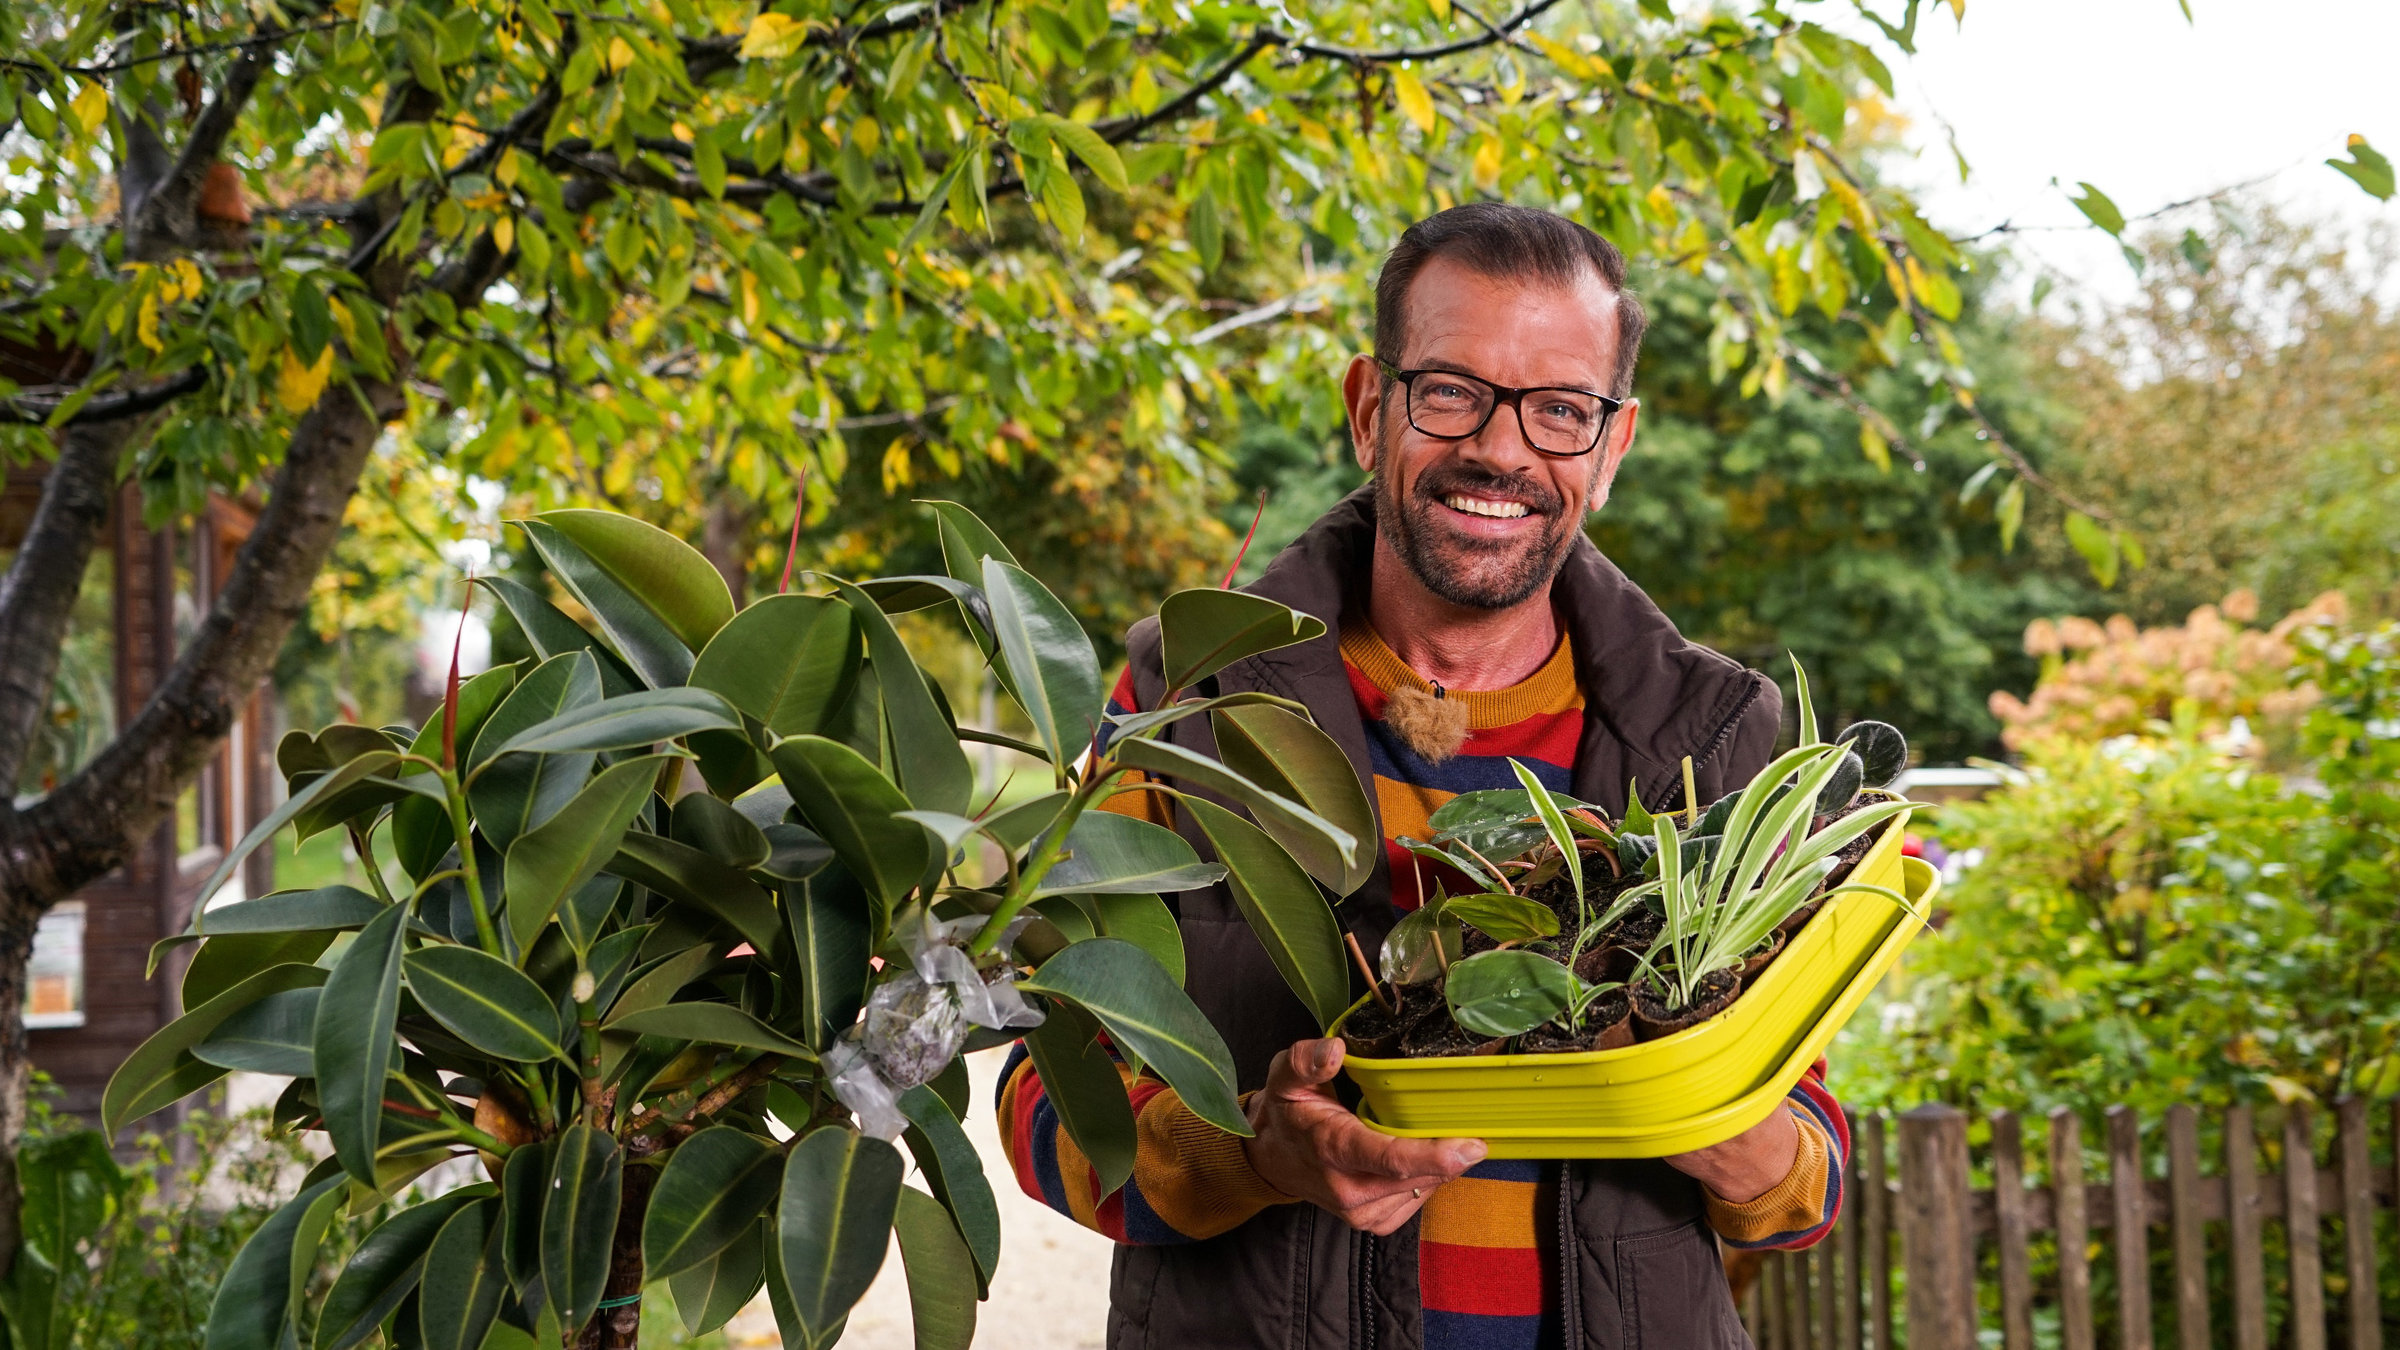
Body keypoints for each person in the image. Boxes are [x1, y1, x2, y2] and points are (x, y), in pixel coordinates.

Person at [995, 203, 1845, 1349]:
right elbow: (1046, 1105)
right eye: (1451, 390)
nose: (1502, 450)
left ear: (1611, 451)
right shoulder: (1184, 712)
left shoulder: (1717, 743)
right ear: (1367, 408)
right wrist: (1254, 1154)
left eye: (1560, 411)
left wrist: (1701, 1108)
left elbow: (1809, 1182)